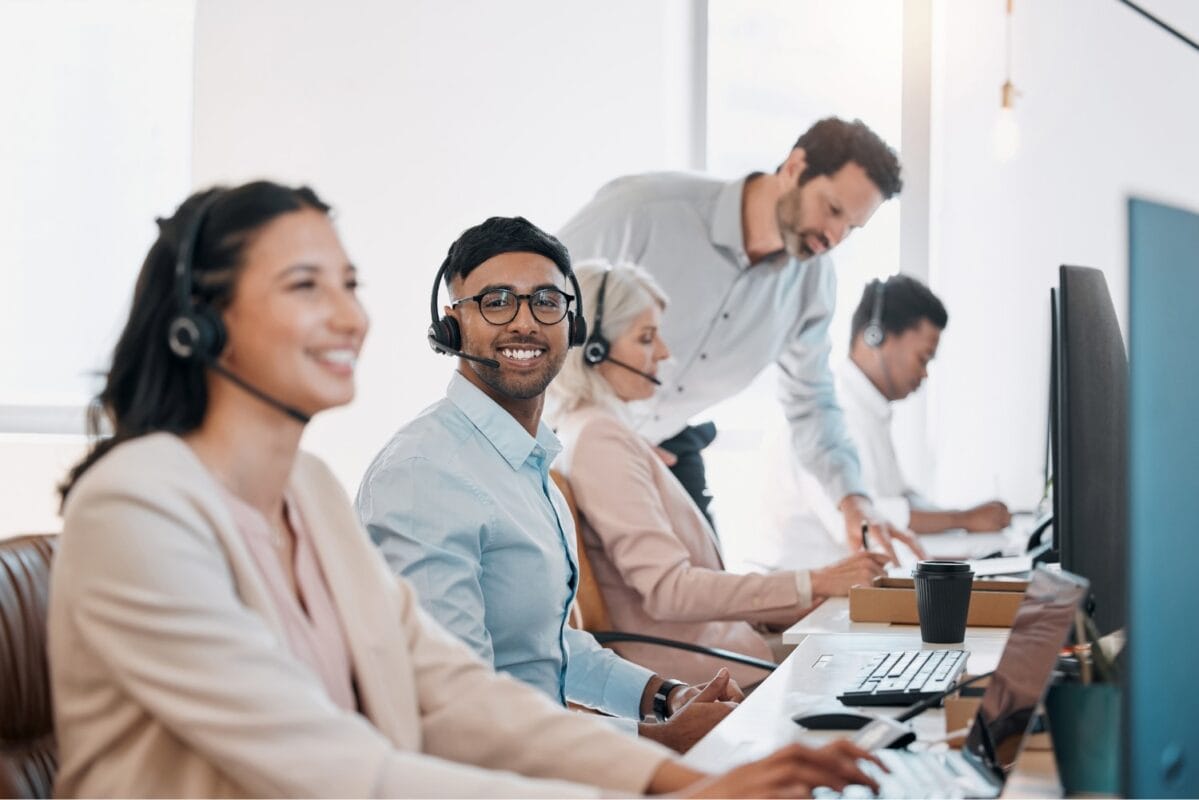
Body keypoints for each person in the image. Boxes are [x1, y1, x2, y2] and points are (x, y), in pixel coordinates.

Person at [49, 182, 881, 798]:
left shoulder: (307, 492)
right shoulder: (135, 508)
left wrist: (673, 774)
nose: (350, 318)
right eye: (306, 286)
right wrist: (664, 785)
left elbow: (448, 688)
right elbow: (326, 760)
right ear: (201, 322)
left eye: (350, 285)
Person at [360, 217, 745, 755]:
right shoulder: (422, 475)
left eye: (545, 301)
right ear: (451, 326)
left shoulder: (528, 462)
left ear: (573, 324)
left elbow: (546, 647)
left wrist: (667, 697)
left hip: (549, 761)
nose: (525, 322)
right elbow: (456, 710)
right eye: (496, 302)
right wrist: (654, 740)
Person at [557, 116, 924, 563]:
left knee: (707, 587)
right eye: (832, 210)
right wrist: (589, 432)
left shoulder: (812, 285)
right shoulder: (643, 210)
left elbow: (812, 403)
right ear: (795, 167)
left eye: (852, 228)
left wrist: (853, 500)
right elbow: (536, 306)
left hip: (667, 445)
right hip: (566, 433)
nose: (834, 238)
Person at [547, 261, 890, 686]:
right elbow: (669, 591)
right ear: (594, 350)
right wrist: (814, 581)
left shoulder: (590, 431)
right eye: (646, 338)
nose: (665, 353)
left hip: (720, 649)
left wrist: (798, 597)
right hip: (704, 673)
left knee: (870, 646)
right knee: (877, 659)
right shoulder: (600, 439)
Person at [751, 274, 1012, 572]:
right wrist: (961, 519)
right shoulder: (832, 412)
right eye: (923, 358)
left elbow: (899, 497)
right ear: (875, 336)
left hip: (847, 578)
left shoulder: (870, 410)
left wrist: (966, 520)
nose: (925, 374)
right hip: (810, 585)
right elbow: (869, 519)